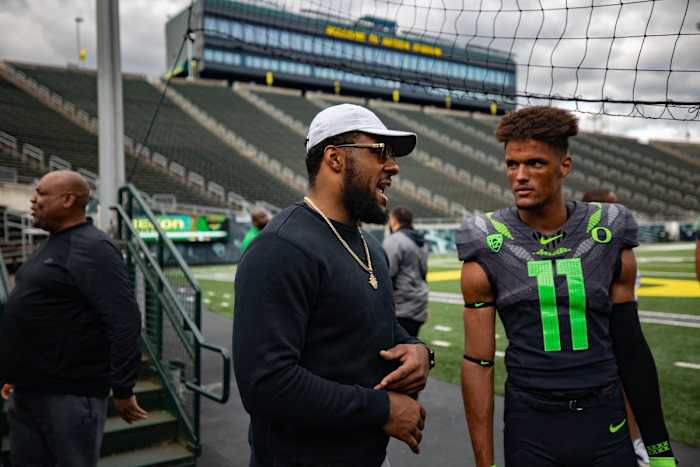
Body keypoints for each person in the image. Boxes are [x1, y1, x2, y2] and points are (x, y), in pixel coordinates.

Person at [457, 106, 676, 467]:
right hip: (531, 424)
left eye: (535, 164)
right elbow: (478, 363)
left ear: (565, 166)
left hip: (604, 418)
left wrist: (660, 450)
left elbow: (631, 348)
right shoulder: (487, 241)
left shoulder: (606, 230)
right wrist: (485, 464)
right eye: (512, 164)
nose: (520, 176)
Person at [233, 103, 434, 467]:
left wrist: (417, 349)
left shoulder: (369, 244)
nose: (393, 166)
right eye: (380, 152)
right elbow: (266, 385)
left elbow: (373, 326)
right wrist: (381, 409)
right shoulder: (281, 248)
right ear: (335, 159)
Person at [0, 170, 147, 467]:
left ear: (68, 200)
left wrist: (123, 387)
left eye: (41, 193)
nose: (33, 200)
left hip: (69, 395)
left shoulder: (93, 247)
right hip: (29, 389)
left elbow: (124, 320)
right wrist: (14, 370)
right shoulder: (54, 244)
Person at [582, 188, 650, 466]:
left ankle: (635, 441)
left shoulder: (618, 247)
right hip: (587, 338)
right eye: (610, 205)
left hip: (618, 331)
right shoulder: (579, 250)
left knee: (630, 384)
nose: (617, 210)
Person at [383, 205, 430, 337]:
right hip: (419, 301)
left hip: (401, 306)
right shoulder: (422, 241)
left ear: (393, 220)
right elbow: (423, 272)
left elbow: (387, 275)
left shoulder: (394, 240)